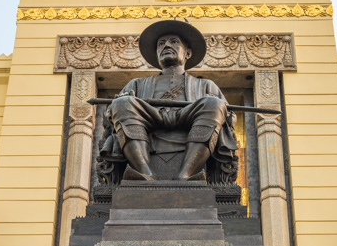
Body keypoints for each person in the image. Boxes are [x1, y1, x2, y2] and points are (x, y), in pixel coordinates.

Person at [101, 20, 237, 181]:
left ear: (187, 53)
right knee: (122, 103)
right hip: (151, 118)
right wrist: (120, 103)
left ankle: (186, 175)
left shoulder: (205, 85)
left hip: (187, 117)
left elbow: (229, 117)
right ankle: (145, 173)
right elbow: (111, 114)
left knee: (214, 104)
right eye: (161, 44)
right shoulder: (137, 84)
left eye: (173, 42)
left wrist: (221, 110)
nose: (166, 45)